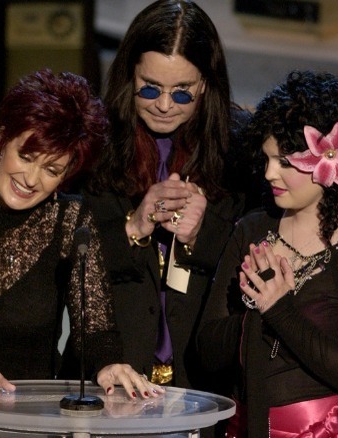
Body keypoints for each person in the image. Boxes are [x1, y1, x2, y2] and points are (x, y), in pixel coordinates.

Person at [0, 68, 164, 436]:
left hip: (31, 426)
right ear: (2, 140)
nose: (32, 179)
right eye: (26, 155)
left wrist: (108, 365)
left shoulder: (71, 219)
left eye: (51, 169)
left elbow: (95, 327)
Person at [196, 70, 338, 437]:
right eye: (265, 159)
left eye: (284, 163)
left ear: (331, 164)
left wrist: (280, 310)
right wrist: (254, 312)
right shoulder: (251, 229)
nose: (268, 174)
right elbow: (206, 350)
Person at [61, 0, 253, 396]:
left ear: (205, 84)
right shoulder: (93, 141)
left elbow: (253, 264)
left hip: (200, 380)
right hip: (110, 376)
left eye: (182, 93)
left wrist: (202, 235)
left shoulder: (241, 149)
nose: (164, 105)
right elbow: (62, 262)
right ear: (129, 75)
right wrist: (133, 227)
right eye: (150, 88)